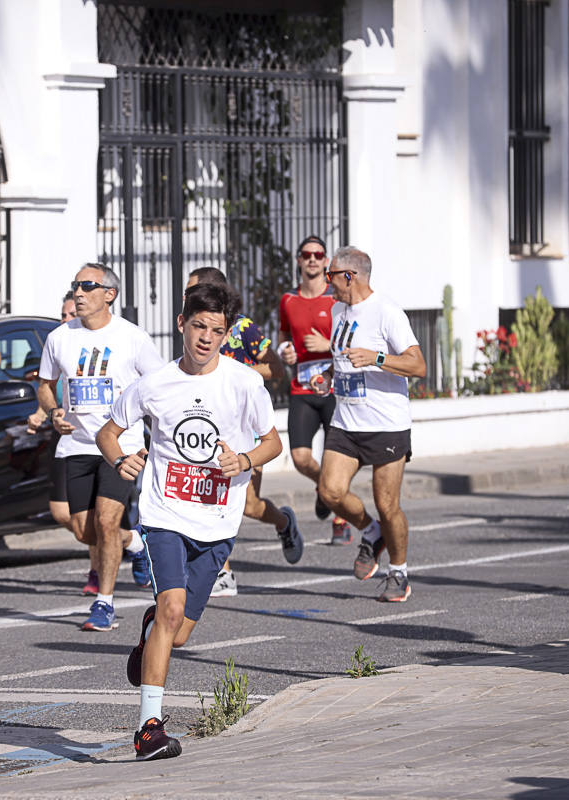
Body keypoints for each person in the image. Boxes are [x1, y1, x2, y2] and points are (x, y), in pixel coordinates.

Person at [97, 281, 282, 760]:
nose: (206, 338)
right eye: (198, 326)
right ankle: (148, 730)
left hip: (218, 521)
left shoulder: (245, 383)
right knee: (172, 609)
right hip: (164, 514)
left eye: (216, 330)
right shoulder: (154, 384)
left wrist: (243, 461)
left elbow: (271, 442)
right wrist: (121, 460)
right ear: (182, 324)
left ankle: (150, 632)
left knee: (177, 632)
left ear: (226, 334)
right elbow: (109, 432)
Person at [37, 263, 162, 631]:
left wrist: (151, 435)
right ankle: (135, 543)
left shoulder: (133, 338)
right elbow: (45, 385)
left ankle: (104, 603)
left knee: (107, 521)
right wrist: (53, 411)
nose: (78, 292)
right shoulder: (60, 337)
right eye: (75, 285)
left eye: (87, 286)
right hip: (76, 443)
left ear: (110, 294)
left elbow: (158, 388)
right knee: (82, 529)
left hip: (120, 445)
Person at [312, 246, 426, 603]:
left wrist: (377, 358)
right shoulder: (336, 310)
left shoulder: (387, 311)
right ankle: (371, 532)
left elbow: (418, 365)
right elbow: (344, 355)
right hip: (346, 420)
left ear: (351, 276)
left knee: (387, 503)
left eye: (330, 275)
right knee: (329, 491)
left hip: (386, 424)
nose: (325, 281)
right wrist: (329, 374)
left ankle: (399, 572)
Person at [183, 267, 302, 598]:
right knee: (209, 498)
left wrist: (234, 372)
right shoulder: (193, 325)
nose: (186, 298)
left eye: (192, 291)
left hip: (247, 431)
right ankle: (223, 572)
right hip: (209, 427)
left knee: (248, 505)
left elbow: (276, 368)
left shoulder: (244, 328)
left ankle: (283, 523)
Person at [277, 235, 352, 545]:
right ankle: (325, 489)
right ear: (299, 260)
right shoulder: (288, 300)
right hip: (302, 388)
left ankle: (341, 520)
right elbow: (282, 336)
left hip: (334, 389)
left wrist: (327, 345)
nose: (312, 259)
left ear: (325, 262)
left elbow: (352, 343)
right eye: (306, 254)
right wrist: (285, 352)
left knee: (335, 460)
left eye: (318, 255)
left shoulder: (336, 300)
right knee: (301, 458)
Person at [28, 290, 102, 593]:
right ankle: (130, 541)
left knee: (98, 515)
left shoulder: (95, 345)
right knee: (63, 512)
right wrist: (42, 414)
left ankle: (98, 572)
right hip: (67, 437)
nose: (67, 319)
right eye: (63, 314)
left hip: (99, 441)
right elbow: (48, 388)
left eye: (72, 314)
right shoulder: (58, 344)